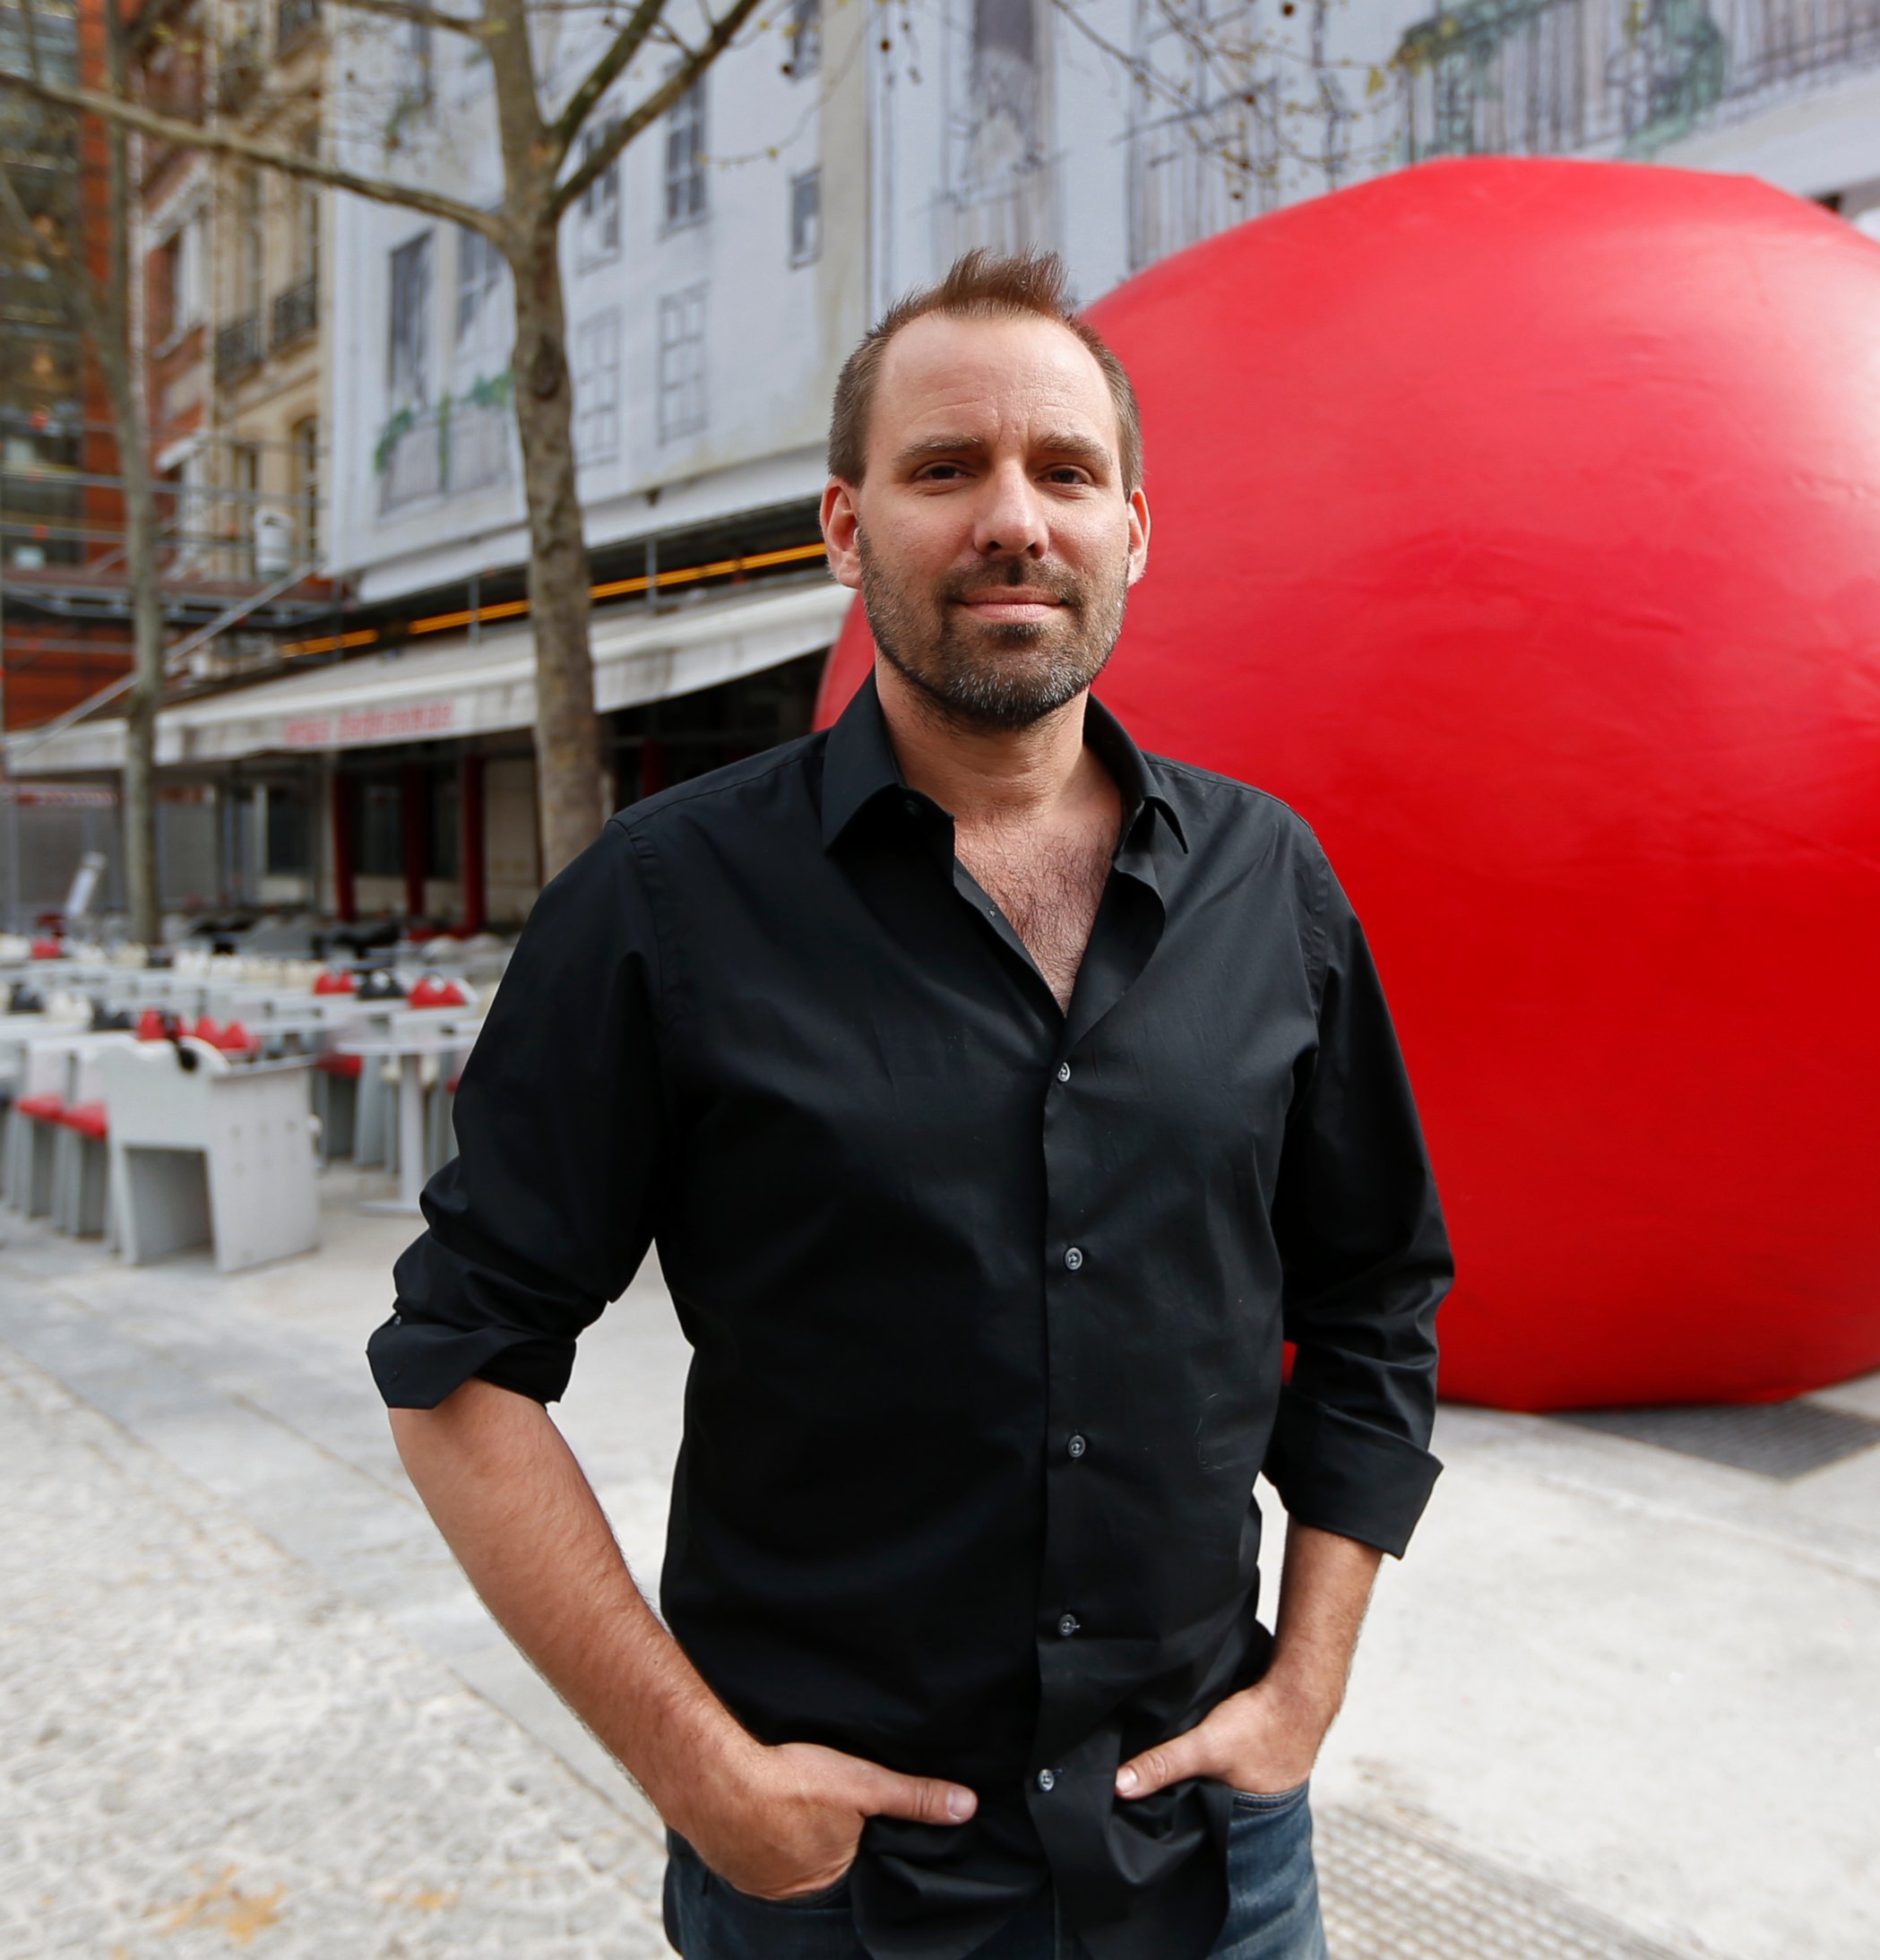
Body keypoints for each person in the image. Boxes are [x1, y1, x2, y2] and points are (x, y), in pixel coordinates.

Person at [367, 248, 1452, 1960]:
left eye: (1065, 472)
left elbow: (1377, 1293)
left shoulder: (1274, 884)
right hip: (837, 1894)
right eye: (946, 468)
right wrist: (703, 1775)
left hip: (1210, 1865)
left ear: (1134, 530)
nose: (1013, 519)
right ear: (844, 527)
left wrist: (1305, 1690)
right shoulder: (661, 907)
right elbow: (458, 1371)